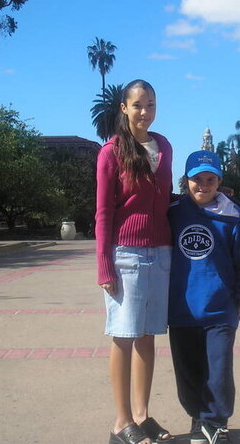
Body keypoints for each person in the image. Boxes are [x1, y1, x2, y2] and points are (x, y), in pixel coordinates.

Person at [95, 79, 175, 444]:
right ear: (124, 108)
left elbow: (164, 196)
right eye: (138, 105)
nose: (145, 112)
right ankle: (120, 422)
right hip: (125, 254)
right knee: (123, 337)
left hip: (161, 252)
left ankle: (142, 416)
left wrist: (209, 193)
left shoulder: (165, 146)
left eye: (152, 105)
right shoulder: (110, 153)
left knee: (147, 337)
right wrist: (104, 265)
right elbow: (103, 213)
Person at [167, 151, 240, 444]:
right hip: (181, 311)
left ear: (219, 182)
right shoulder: (172, 212)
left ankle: (216, 423)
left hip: (220, 311)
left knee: (217, 373)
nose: (203, 185)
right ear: (186, 181)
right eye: (196, 179)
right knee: (189, 373)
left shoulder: (231, 218)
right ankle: (199, 420)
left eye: (210, 179)